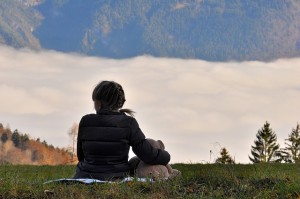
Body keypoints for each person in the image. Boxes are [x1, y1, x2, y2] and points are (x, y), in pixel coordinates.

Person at [74, 80, 170, 180]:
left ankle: (167, 170)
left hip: (84, 175)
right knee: (150, 145)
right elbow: (147, 154)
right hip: (117, 176)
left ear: (99, 103)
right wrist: (166, 157)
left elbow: (81, 156)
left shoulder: (85, 121)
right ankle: (169, 171)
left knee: (139, 157)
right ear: (120, 103)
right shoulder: (129, 122)